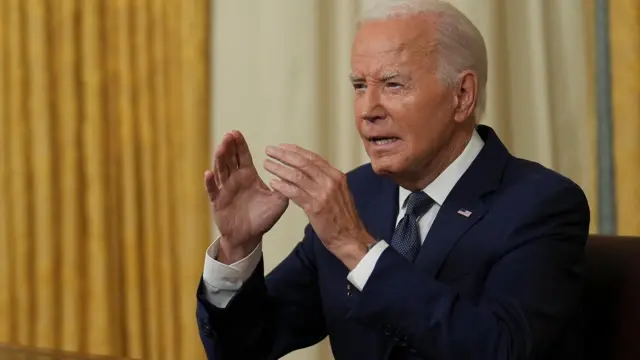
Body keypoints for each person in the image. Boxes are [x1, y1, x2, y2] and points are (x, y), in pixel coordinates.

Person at [195, 0, 590, 359]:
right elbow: (247, 346)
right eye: (359, 86)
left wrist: (357, 247)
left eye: (393, 84)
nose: (368, 110)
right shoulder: (356, 196)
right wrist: (238, 249)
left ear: (462, 96)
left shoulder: (542, 205)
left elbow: (499, 349)